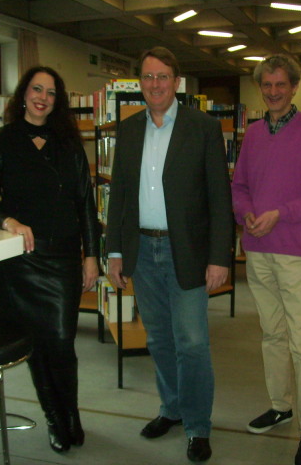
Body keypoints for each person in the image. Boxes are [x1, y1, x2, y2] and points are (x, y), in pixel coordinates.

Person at [106, 46, 233, 462]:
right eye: (147, 77)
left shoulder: (203, 128)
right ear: (139, 83)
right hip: (142, 250)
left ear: (177, 83)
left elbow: (219, 197)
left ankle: (197, 425)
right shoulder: (127, 130)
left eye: (162, 77)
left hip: (189, 251)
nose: (155, 84)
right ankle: (172, 408)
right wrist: (115, 252)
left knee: (192, 342)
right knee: (159, 339)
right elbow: (119, 197)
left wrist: (220, 257)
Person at [0, 66, 99, 453]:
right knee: (33, 344)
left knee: (62, 342)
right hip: (19, 261)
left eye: (50, 91)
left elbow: (85, 204)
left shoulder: (69, 144)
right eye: (36, 89)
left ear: (57, 100)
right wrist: (8, 220)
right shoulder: (3, 140)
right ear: (23, 94)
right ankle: (53, 418)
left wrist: (91, 256)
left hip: (62, 258)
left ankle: (71, 414)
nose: (42, 97)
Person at [231, 54, 301, 465]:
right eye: (266, 85)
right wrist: (246, 214)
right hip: (258, 252)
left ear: (294, 86)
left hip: (294, 252)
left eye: (281, 84)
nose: (273, 91)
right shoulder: (254, 133)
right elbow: (239, 186)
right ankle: (281, 405)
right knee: (271, 335)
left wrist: (282, 214)